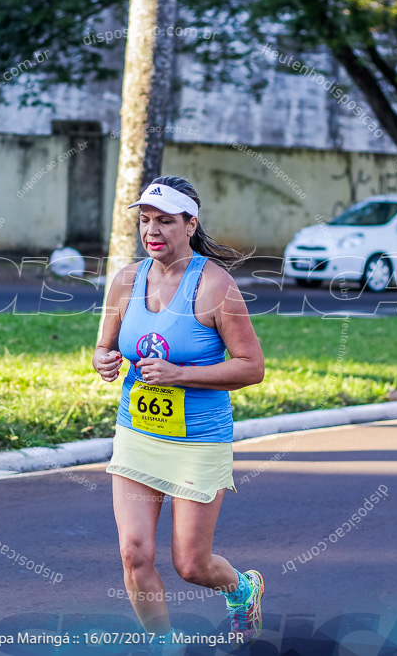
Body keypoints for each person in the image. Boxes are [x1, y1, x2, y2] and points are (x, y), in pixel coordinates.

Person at [92, 176, 266, 649]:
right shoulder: (126, 280)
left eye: (165, 221)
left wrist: (179, 375)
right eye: (146, 220)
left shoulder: (215, 285)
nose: (152, 230)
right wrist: (104, 361)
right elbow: (104, 349)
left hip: (197, 440)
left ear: (190, 224)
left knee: (191, 564)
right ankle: (163, 644)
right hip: (138, 431)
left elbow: (252, 368)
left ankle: (242, 589)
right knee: (134, 553)